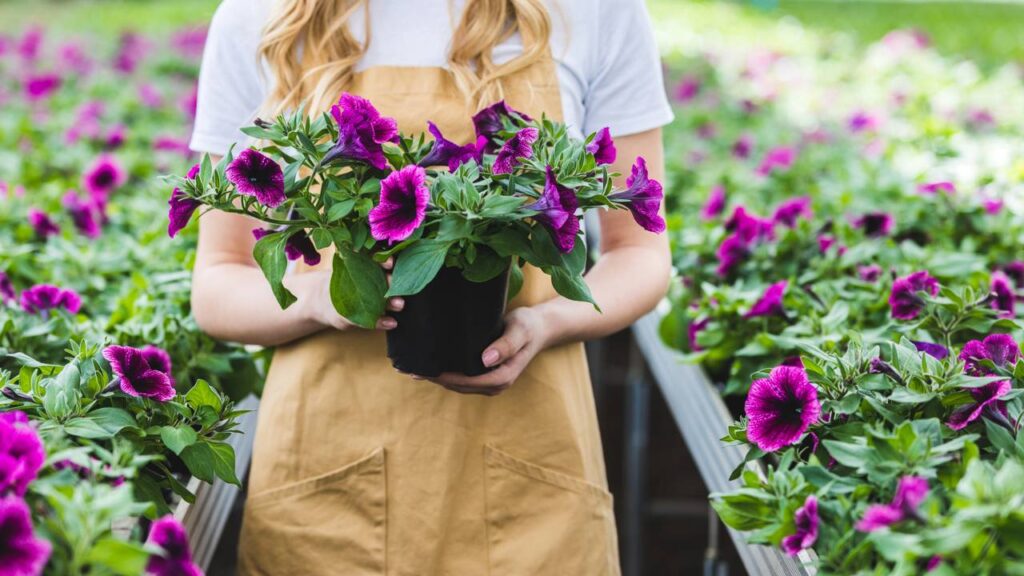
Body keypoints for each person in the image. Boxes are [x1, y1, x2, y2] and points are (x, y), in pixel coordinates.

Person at [188, 0, 672, 573]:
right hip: (327, 487)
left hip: (530, 484)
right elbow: (220, 280)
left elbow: (639, 253)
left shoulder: (594, 10)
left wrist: (549, 323)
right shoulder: (259, 15)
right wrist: (321, 300)